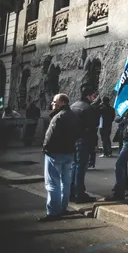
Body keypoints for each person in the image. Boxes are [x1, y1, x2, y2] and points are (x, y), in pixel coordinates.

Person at [39, 93, 78, 222]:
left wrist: (45, 149)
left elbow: (50, 136)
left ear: (62, 102)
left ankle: (53, 212)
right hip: (69, 152)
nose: (52, 103)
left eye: (55, 101)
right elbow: (79, 133)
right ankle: (63, 208)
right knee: (65, 182)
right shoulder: (73, 116)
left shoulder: (58, 117)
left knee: (52, 183)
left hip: (55, 153)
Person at [70, 87, 100, 203]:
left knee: (74, 166)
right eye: (93, 96)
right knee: (81, 167)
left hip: (72, 139)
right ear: (88, 95)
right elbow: (92, 128)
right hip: (83, 140)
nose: (94, 98)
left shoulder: (73, 106)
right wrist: (94, 144)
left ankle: (72, 192)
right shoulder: (89, 108)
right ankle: (79, 193)